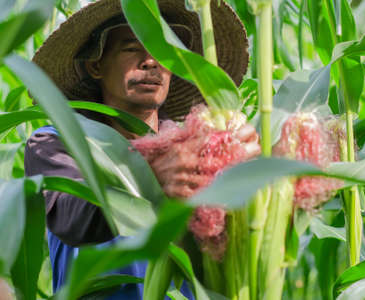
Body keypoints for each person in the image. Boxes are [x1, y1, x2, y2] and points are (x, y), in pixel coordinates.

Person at [24, 0, 260, 298]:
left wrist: (255, 178)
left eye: (164, 50)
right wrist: (147, 178)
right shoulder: (58, 143)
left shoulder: (198, 147)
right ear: (96, 65)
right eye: (132, 47)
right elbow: (71, 217)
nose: (151, 61)